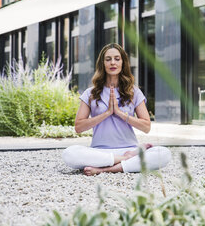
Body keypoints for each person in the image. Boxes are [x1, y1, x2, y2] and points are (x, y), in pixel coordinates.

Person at [62, 43, 171, 176]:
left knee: (164, 154)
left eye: (117, 59)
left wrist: (120, 113)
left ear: (123, 62)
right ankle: (123, 162)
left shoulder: (134, 92)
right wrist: (107, 113)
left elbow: (146, 127)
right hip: (101, 152)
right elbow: (79, 127)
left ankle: (105, 169)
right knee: (69, 153)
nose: (113, 62)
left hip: (130, 149)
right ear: (103, 63)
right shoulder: (90, 93)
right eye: (108, 59)